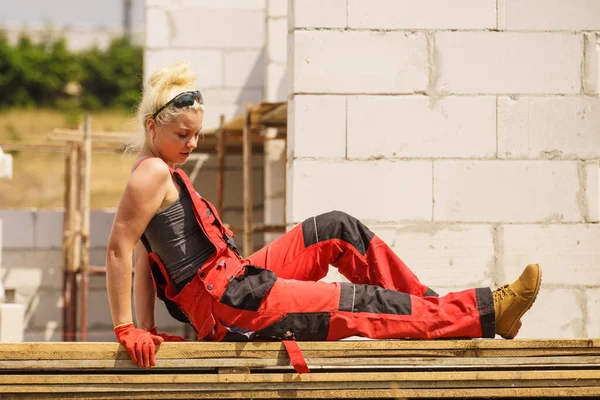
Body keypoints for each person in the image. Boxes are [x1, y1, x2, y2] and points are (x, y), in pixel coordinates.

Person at [105, 61, 542, 371]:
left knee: (336, 229)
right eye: (183, 134)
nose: (192, 144)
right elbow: (119, 251)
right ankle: (480, 311)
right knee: (358, 303)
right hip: (232, 305)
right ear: (151, 126)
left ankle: (442, 312)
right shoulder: (152, 174)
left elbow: (147, 260)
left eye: (196, 134)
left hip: (237, 278)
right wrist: (127, 329)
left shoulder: (158, 173)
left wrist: (148, 327)